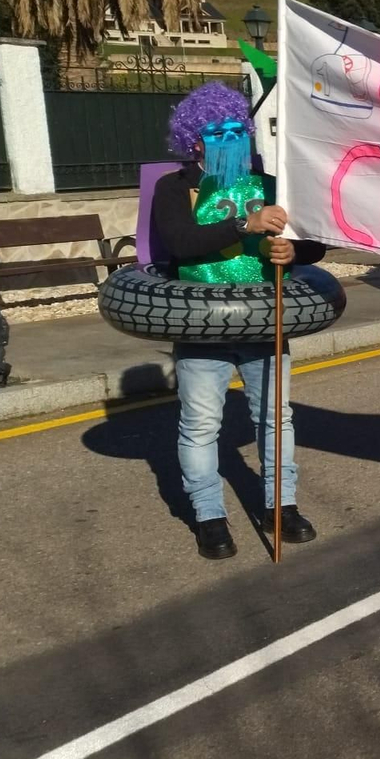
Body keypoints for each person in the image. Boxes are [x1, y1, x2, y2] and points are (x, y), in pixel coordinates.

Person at [152, 84, 325, 560]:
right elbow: (180, 242)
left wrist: (295, 251)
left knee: (275, 418)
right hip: (199, 325)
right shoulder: (174, 188)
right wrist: (243, 226)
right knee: (201, 424)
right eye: (217, 132)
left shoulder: (270, 183)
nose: (229, 138)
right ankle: (209, 515)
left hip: (264, 323)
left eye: (237, 129)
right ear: (195, 140)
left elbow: (311, 241)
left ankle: (281, 506)